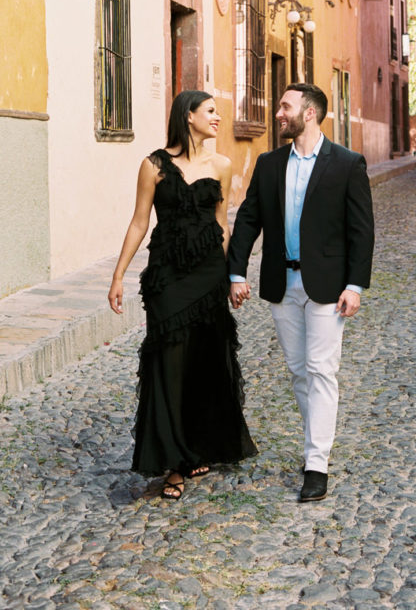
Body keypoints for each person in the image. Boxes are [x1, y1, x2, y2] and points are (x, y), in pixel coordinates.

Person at [228, 83, 374, 502]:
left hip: (328, 288)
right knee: (298, 371)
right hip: (282, 284)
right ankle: (317, 444)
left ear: (308, 114)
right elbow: (248, 219)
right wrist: (236, 273)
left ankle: (316, 464)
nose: (278, 113)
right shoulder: (270, 163)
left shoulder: (347, 164)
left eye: (285, 107)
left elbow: (362, 231)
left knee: (321, 370)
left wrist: (355, 285)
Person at [108, 90, 257, 500]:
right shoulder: (154, 165)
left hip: (209, 276)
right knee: (168, 364)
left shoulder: (222, 166)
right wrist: (118, 274)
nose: (217, 117)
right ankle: (172, 462)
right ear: (187, 116)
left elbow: (221, 224)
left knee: (203, 363)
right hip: (167, 277)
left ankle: (196, 448)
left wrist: (231, 277)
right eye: (210, 111)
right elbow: (139, 222)